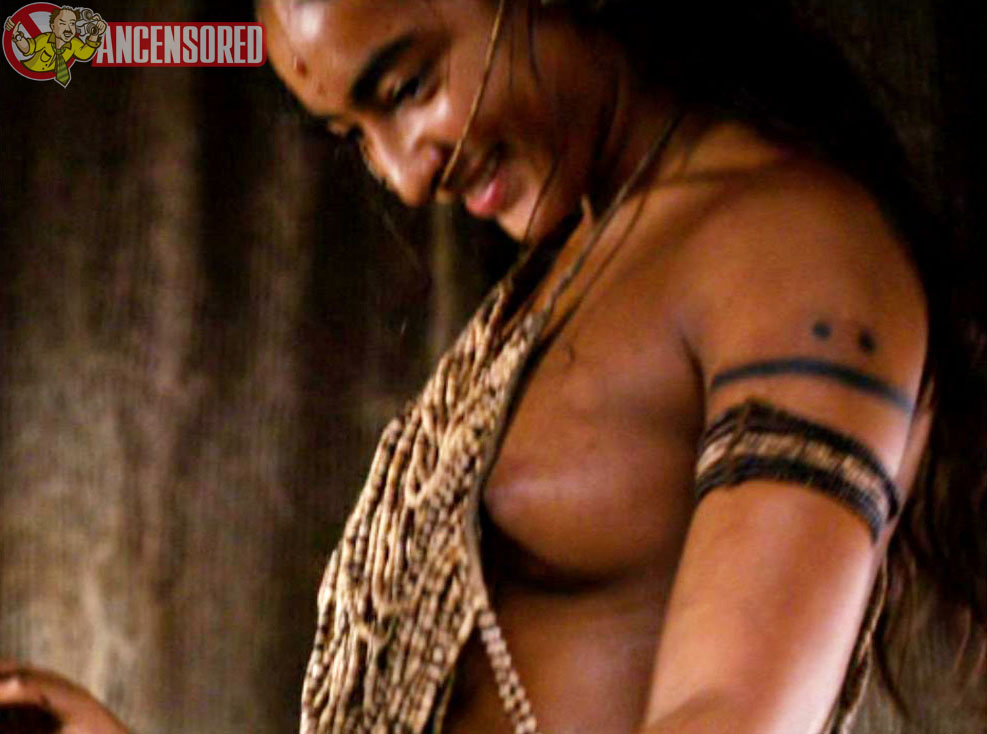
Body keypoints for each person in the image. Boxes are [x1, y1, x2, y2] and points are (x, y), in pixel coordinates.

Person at [1, 1, 983, 732]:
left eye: (408, 89)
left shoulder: (790, 247)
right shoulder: (577, 262)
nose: (404, 175)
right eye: (353, 136)